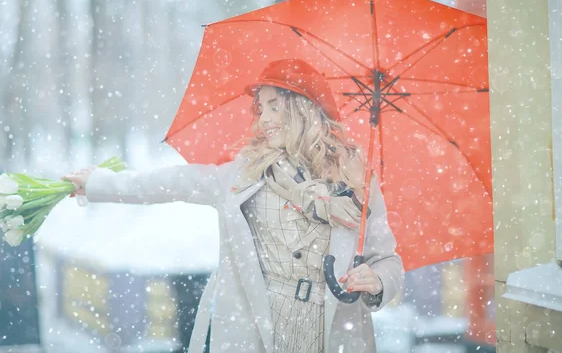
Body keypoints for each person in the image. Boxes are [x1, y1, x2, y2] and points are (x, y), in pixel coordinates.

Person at [62, 58, 404, 353]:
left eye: (275, 106)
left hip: (333, 331)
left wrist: (376, 280)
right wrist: (100, 184)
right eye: (261, 108)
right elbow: (172, 183)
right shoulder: (245, 175)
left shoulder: (354, 181)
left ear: (303, 109)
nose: (263, 118)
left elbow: (387, 259)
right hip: (258, 327)